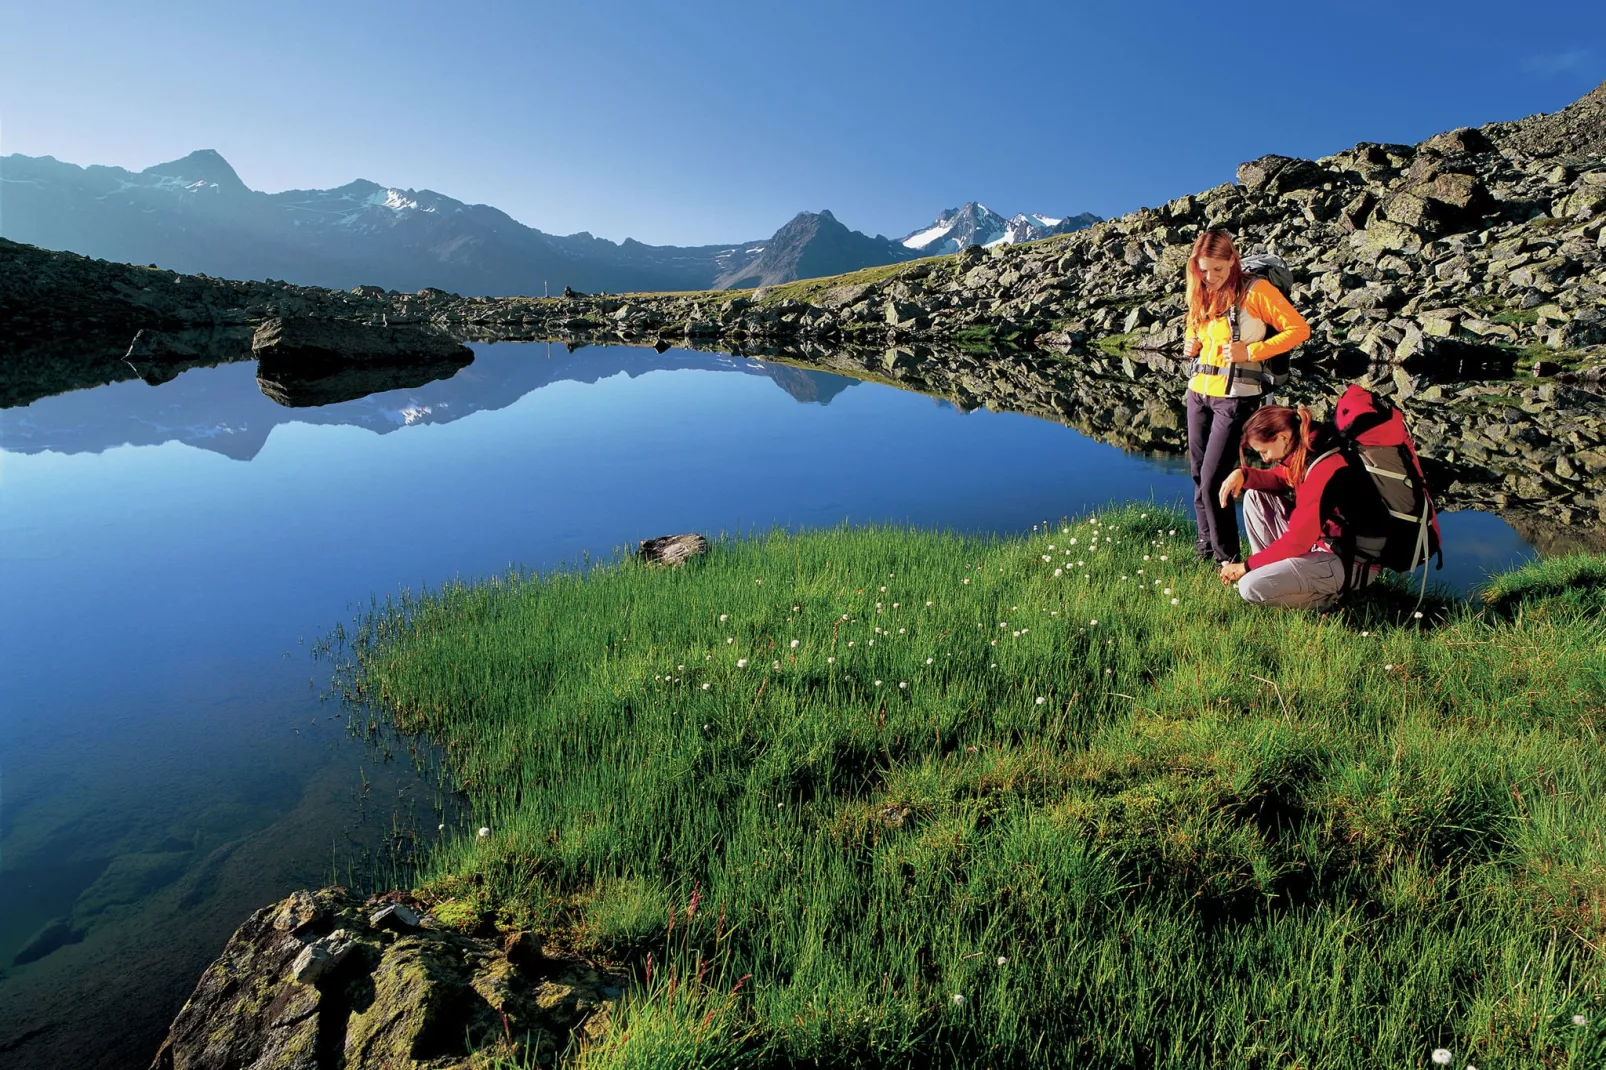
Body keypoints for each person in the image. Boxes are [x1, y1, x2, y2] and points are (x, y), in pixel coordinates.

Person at [1182, 231, 1310, 565]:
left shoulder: (1256, 291)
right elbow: (1194, 326)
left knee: (1214, 480)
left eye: (1218, 270)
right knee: (1198, 474)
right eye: (1203, 270)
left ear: (1232, 261)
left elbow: (1298, 329)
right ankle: (1205, 548)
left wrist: (1251, 350)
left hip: (1236, 397)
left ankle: (1228, 560)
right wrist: (1191, 343)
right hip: (1198, 391)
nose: (1210, 278)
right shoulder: (1201, 290)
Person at [1217, 405, 1381, 609]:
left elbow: (1298, 541)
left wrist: (1246, 566)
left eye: (1264, 451)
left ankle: (1338, 599)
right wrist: (1243, 474)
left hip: (1349, 562)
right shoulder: (1308, 450)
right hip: (1324, 548)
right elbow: (1281, 478)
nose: (1265, 459)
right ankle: (1271, 573)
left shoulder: (1325, 465)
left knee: (1249, 587)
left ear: (1283, 437)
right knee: (1255, 496)